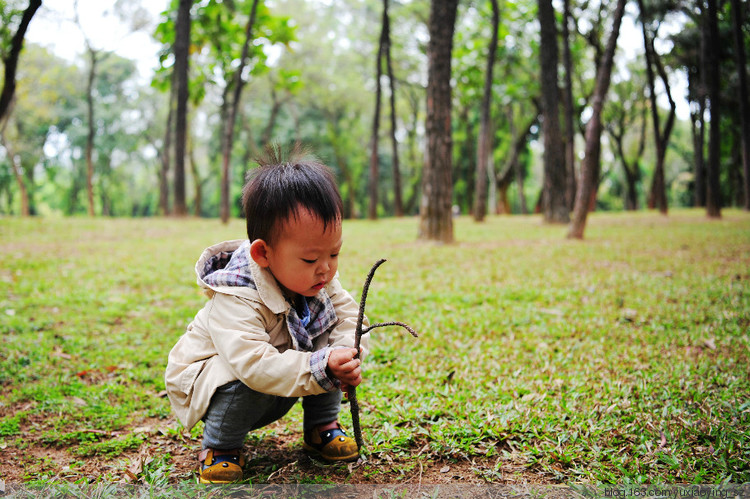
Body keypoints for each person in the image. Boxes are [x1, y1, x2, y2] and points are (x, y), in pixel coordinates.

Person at [165, 144, 368, 484]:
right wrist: (321, 365)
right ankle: (220, 447)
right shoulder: (235, 294)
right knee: (258, 371)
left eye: (334, 254)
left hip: (280, 381)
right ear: (263, 254)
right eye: (310, 260)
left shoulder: (320, 279)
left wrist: (346, 354)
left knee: (330, 352)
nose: (326, 269)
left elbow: (348, 317)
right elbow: (253, 365)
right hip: (222, 387)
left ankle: (322, 427)